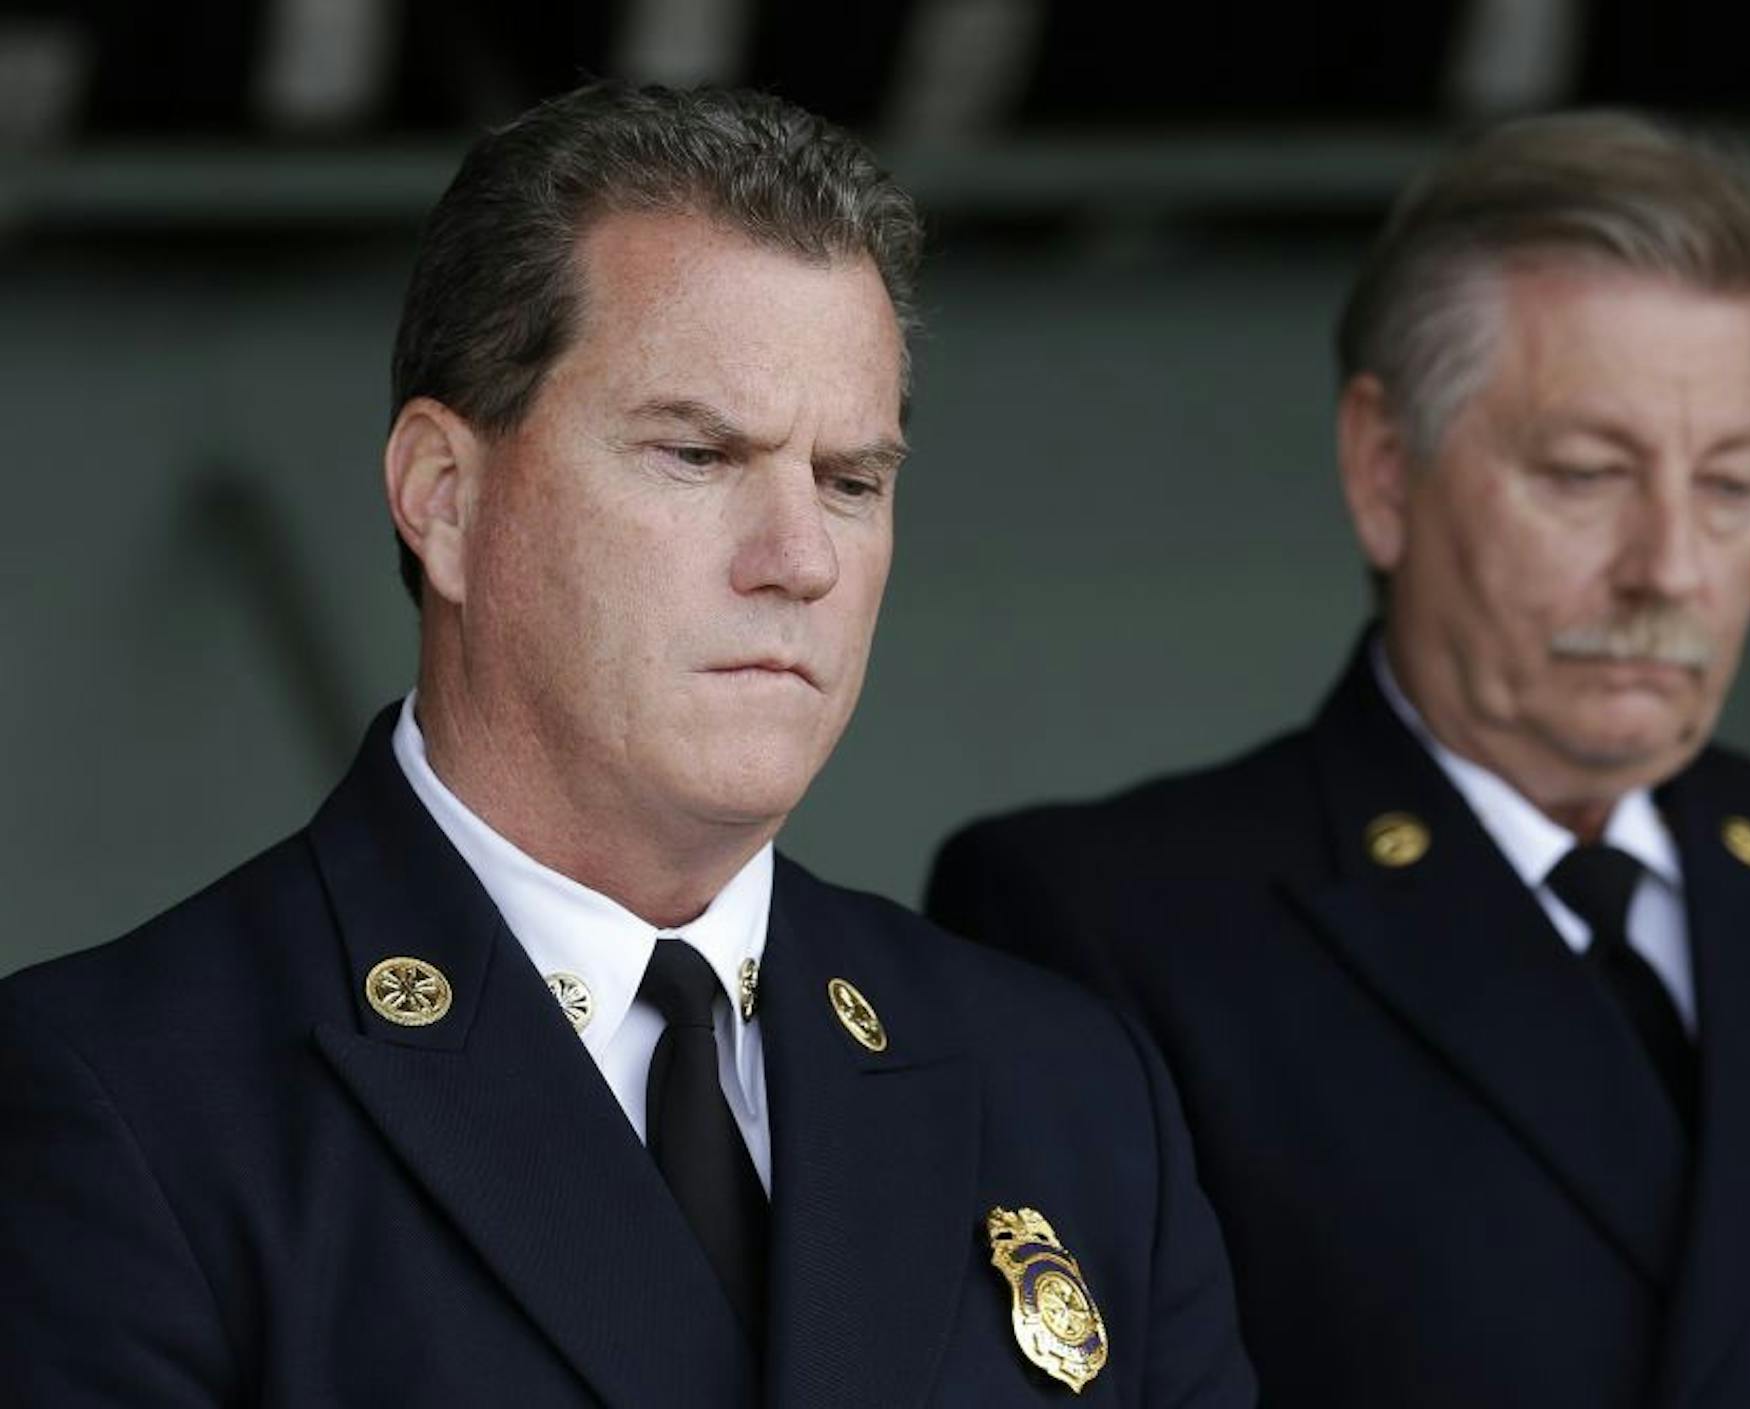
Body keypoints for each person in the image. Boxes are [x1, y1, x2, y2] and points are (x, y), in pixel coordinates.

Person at [0, 82, 1254, 1407]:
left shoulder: (1069, 1095)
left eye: (851, 480)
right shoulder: (129, 1103)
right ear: (445, 496)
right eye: (699, 453)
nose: (803, 559)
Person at [927, 111, 1750, 1406]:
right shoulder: (1107, 931)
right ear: (1386, 471)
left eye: (1734, 484)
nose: (1670, 568)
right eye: (1586, 473)